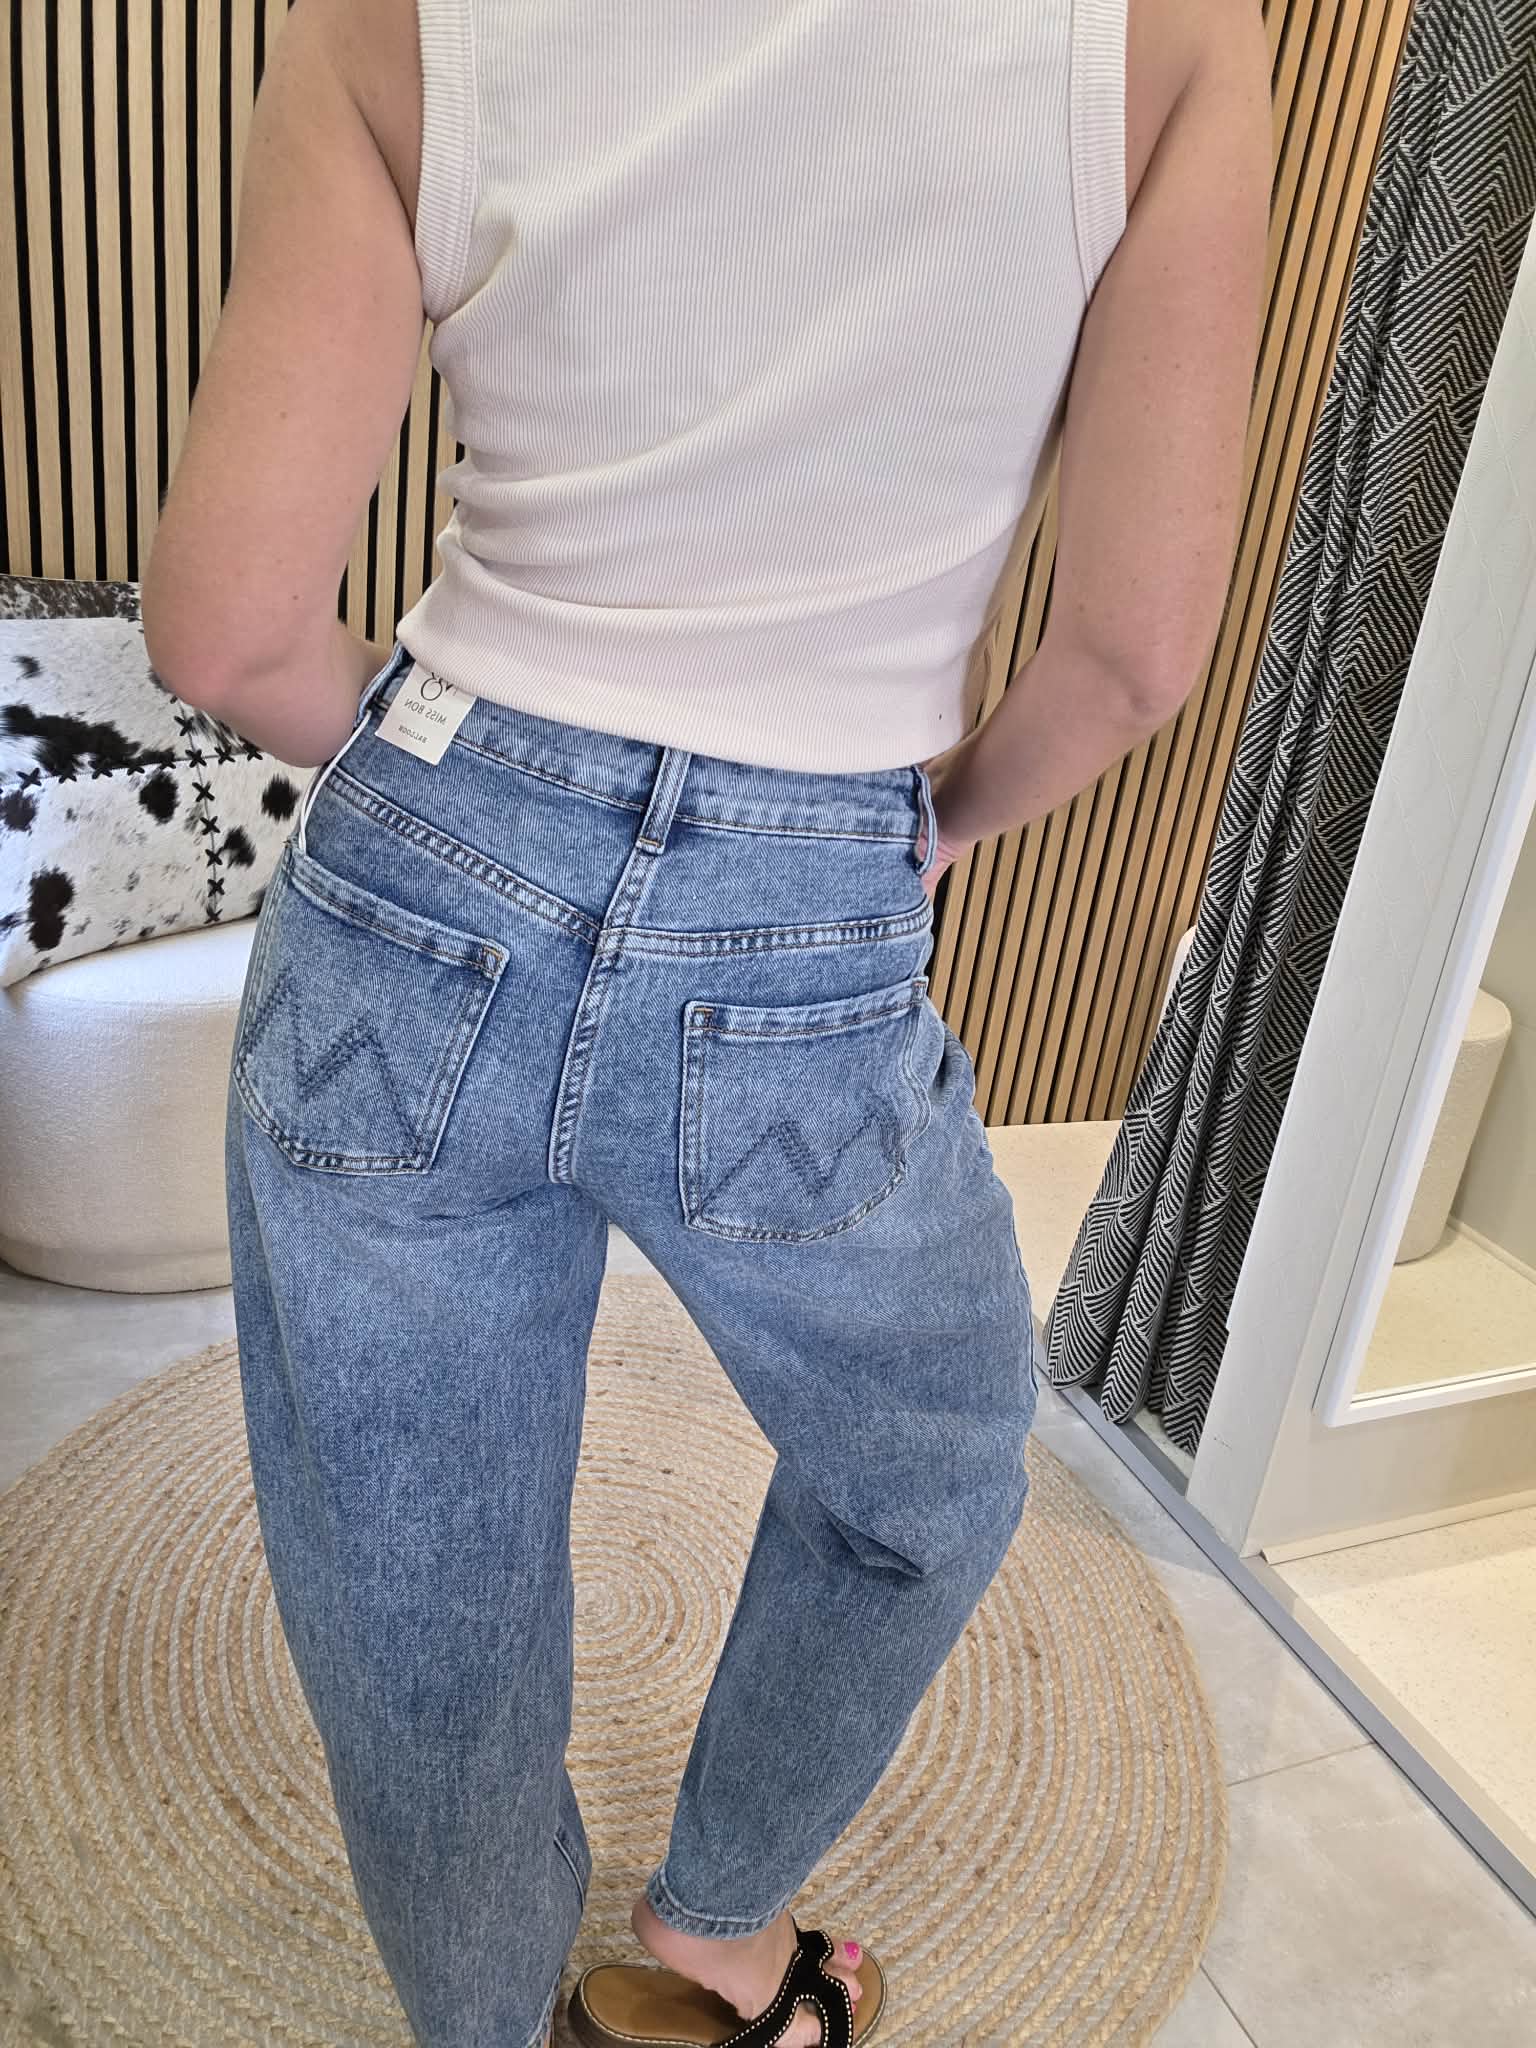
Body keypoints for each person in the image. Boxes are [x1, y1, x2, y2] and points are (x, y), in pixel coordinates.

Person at [142, 0, 1271, 2041]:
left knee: (413, 1590)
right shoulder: (1175, 39)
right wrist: (923, 832)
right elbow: (1131, 650)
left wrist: (457, 808)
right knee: (929, 1455)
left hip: (426, 863)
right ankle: (728, 1934)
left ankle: (488, 2020)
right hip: (803, 908)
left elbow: (223, 628)